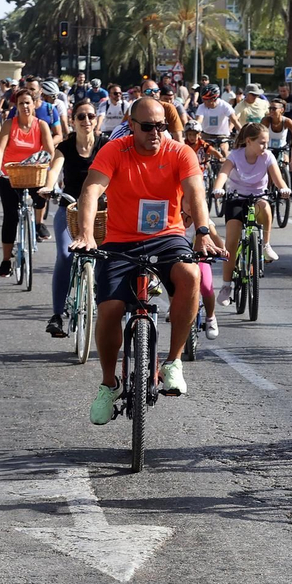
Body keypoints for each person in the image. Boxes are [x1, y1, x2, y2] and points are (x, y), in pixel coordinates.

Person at [72, 98, 227, 421]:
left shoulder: (180, 152)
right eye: (147, 127)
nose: (155, 133)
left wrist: (202, 231)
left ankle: (173, 362)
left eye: (161, 126)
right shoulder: (115, 150)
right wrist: (87, 234)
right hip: (121, 240)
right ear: (131, 125)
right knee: (110, 309)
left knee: (191, 275)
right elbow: (91, 191)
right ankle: (108, 384)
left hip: (167, 237)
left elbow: (195, 192)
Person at [40, 99, 107, 336]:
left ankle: (107, 303)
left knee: (108, 257)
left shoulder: (106, 145)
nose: (86, 120)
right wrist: (49, 187)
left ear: (96, 119)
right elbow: (54, 170)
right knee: (65, 256)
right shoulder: (65, 147)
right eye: (81, 116)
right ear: (73, 121)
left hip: (101, 212)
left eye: (91, 116)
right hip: (69, 209)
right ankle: (57, 315)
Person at [211, 122, 290, 304]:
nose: (265, 146)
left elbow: (278, 179)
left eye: (267, 142)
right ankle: (226, 286)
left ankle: (266, 245)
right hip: (237, 198)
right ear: (249, 141)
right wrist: (218, 188)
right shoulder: (235, 156)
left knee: (265, 207)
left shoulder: (268, 156)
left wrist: (284, 188)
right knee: (231, 242)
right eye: (261, 142)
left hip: (258, 197)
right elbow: (223, 174)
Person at [0, 88, 57, 274]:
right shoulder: (9, 124)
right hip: (10, 176)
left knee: (42, 197)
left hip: (33, 174)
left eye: (28, 102)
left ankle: (38, 224)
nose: (25, 106)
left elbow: (50, 151)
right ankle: (6, 260)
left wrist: (45, 166)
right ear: (16, 106)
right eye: (21, 103)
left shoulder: (41, 125)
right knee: (10, 217)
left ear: (34, 104)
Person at [262, 95, 292, 182]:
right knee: (267, 169)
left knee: (286, 164)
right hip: (269, 148)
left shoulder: (287, 121)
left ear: (282, 110)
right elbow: (259, 134)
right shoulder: (266, 120)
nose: (271, 111)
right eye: (270, 108)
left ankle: (286, 181)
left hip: (283, 148)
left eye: (274, 109)